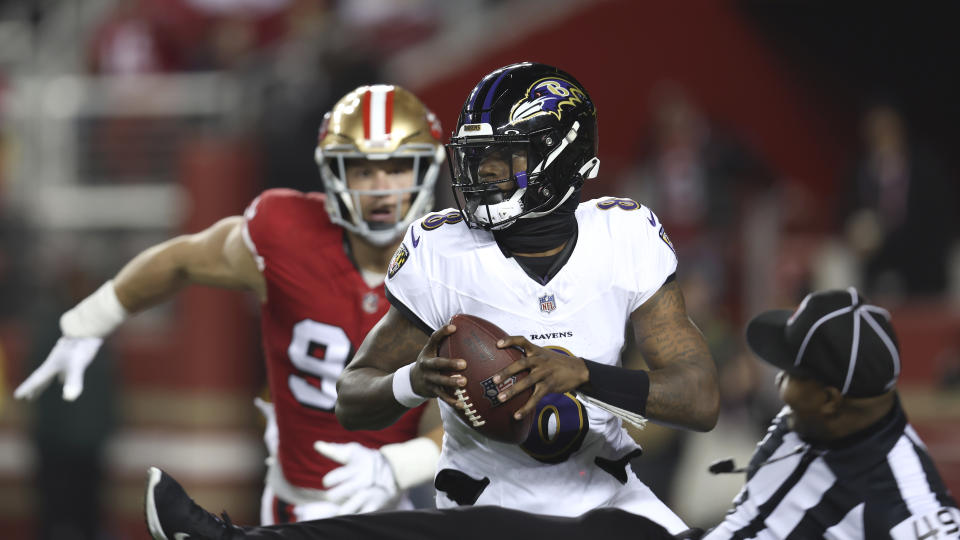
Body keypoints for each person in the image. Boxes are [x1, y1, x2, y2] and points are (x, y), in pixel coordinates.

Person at [143, 287, 960, 540]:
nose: (776, 384)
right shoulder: (822, 415)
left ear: (834, 396)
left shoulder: (912, 508)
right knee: (493, 529)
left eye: (792, 375)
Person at [14, 84, 449, 524]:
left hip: (395, 507)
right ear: (335, 173)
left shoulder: (452, 267)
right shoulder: (285, 235)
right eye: (362, 170)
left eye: (397, 168)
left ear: (426, 170)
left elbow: (479, 410)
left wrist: (399, 466)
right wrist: (91, 319)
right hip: (290, 500)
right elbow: (182, 258)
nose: (380, 188)